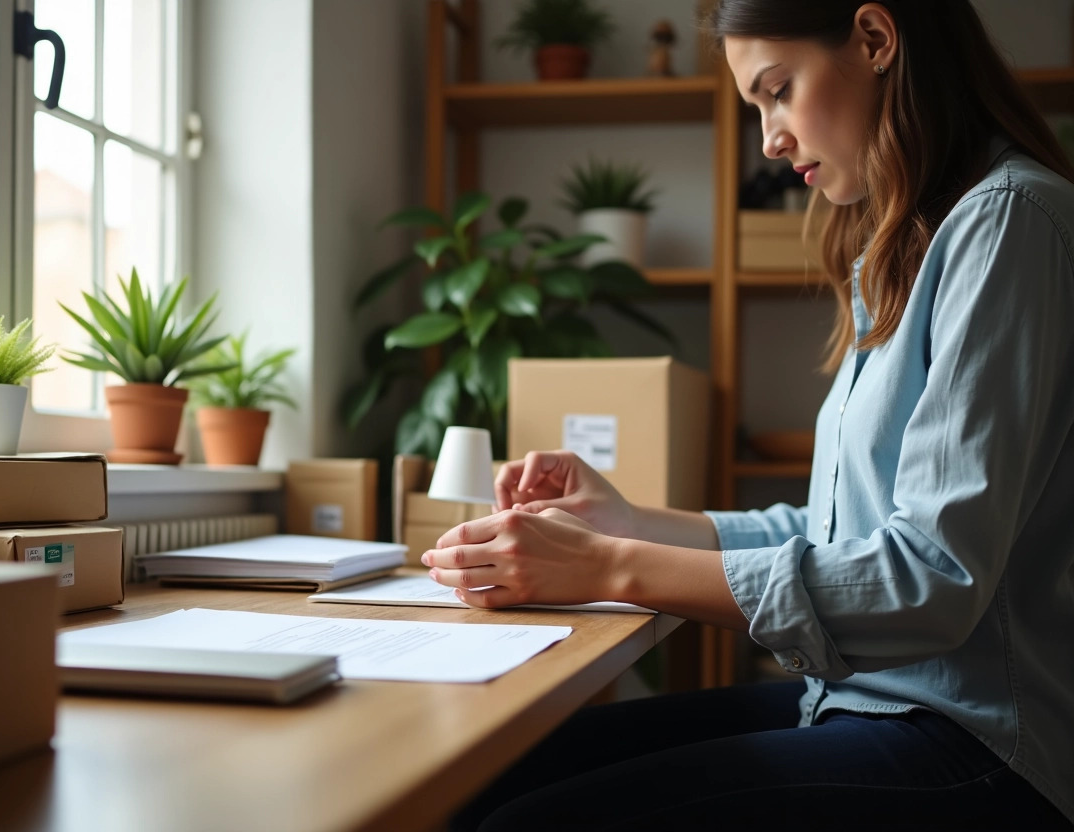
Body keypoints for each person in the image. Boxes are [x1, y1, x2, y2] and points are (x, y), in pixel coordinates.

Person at [422, 2, 1074, 829]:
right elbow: (840, 532)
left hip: (981, 744)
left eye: (778, 90)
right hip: (864, 703)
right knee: (496, 772)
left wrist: (611, 566)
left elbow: (927, 580)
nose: (768, 139)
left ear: (875, 41)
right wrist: (628, 523)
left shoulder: (1007, 222)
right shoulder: (906, 245)